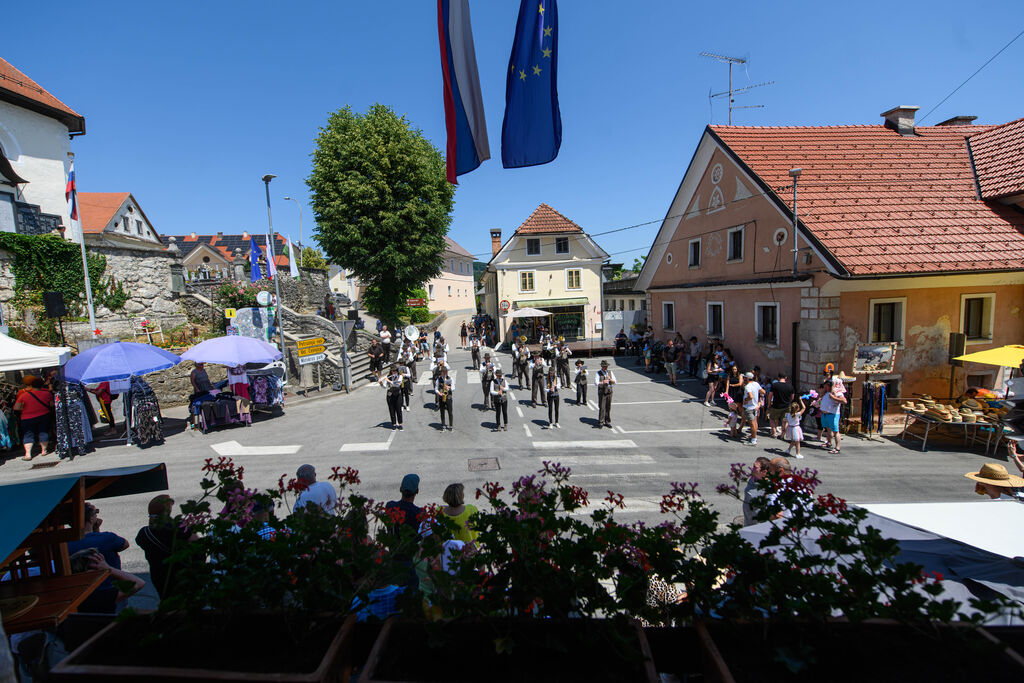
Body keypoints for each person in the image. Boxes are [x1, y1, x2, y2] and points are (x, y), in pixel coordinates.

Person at [136, 495, 194, 600]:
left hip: (158, 575)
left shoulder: (144, 533)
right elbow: (196, 545)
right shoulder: (178, 528)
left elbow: (140, 541)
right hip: (180, 573)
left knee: (166, 600)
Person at [14, 375, 53, 461]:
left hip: (27, 417)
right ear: (41, 385)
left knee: (28, 434)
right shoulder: (47, 393)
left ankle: (28, 454)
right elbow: (51, 405)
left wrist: (25, 408)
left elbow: (16, 408)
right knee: (43, 432)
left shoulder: (24, 395)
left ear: (31, 386)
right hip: (44, 415)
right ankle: (44, 451)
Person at [819, 379, 847, 454]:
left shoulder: (837, 393)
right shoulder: (826, 392)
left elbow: (844, 401)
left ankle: (837, 447)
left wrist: (833, 397)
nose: (825, 387)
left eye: (826, 386)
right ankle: (829, 442)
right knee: (828, 429)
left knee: (835, 431)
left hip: (833, 414)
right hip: (825, 414)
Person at [742, 457, 772, 526]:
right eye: (753, 466)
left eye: (755, 467)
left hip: (758, 525)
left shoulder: (768, 488)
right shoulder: (753, 478)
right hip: (748, 521)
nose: (752, 468)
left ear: (764, 472)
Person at [767, 373, 796, 439]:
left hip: (776, 405)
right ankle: (782, 435)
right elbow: (792, 397)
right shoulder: (790, 386)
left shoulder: (775, 385)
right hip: (786, 406)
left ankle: (774, 433)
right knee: (785, 421)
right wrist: (788, 402)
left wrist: (769, 404)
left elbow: (770, 395)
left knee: (772, 418)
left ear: (778, 377)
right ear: (785, 378)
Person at [741, 372, 765, 445]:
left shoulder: (748, 386)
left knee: (752, 425)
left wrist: (746, 400)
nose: (744, 379)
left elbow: (751, 396)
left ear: (747, 378)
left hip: (749, 408)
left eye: (744, 378)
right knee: (754, 423)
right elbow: (763, 392)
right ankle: (753, 436)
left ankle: (753, 440)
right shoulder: (756, 384)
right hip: (755, 407)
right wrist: (758, 401)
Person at [380, 365, 404, 430]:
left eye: (395, 371)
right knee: (391, 409)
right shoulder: (388, 376)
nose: (394, 372)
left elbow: (397, 384)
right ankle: (394, 424)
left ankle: (400, 424)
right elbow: (384, 387)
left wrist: (389, 381)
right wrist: (381, 383)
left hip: (397, 394)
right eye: (392, 371)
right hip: (390, 395)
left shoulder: (400, 376)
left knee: (398, 409)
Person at [595, 360, 616, 428]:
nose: (605, 367)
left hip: (609, 391)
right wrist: (603, 382)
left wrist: (610, 379)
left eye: (606, 366)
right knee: (602, 407)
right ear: (601, 366)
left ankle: (607, 421)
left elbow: (615, 382)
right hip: (602, 391)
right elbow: (596, 383)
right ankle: (601, 422)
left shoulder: (610, 372)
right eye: (604, 366)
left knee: (608, 407)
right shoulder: (598, 373)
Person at [435, 366, 454, 432]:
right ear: (441, 373)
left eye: (446, 372)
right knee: (442, 412)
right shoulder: (438, 380)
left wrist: (449, 388)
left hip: (448, 397)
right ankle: (443, 425)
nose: (445, 374)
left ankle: (451, 426)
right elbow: (436, 389)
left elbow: (453, 388)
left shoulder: (450, 379)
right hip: (442, 397)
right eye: (444, 373)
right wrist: (440, 393)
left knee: (450, 412)